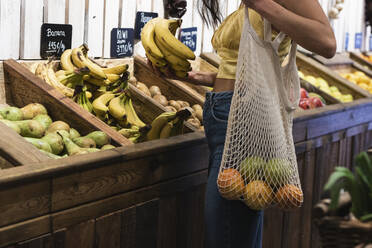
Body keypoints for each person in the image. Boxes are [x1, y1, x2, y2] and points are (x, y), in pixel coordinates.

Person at [148, 0, 336, 247]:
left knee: (227, 232)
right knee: (232, 228)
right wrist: (198, 77)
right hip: (225, 114)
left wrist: (260, 4)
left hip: (244, 118)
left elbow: (326, 42)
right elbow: (246, 66)